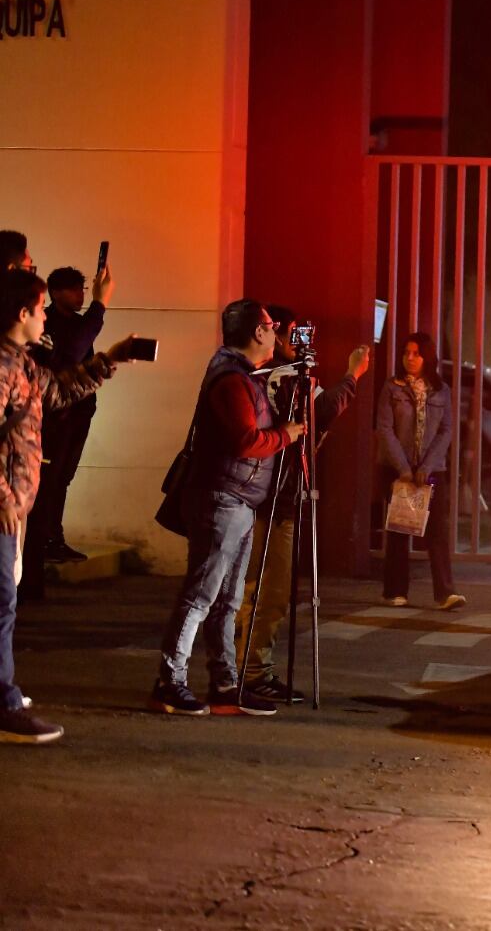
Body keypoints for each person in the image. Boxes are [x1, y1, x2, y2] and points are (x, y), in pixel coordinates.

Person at [0, 269, 140, 742]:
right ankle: (4, 705)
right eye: (41, 310)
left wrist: (111, 359)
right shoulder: (2, 366)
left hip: (16, 505)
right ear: (23, 314)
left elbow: (58, 391)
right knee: (2, 604)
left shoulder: (22, 363)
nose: (46, 318)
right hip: (4, 507)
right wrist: (3, 496)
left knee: (4, 602)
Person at [151, 300, 305, 717]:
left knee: (227, 599)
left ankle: (225, 685)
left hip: (238, 499)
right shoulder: (231, 380)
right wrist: (286, 435)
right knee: (202, 594)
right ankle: (171, 681)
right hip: (221, 498)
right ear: (257, 332)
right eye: (272, 326)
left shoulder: (245, 376)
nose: (277, 334)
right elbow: (245, 440)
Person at [232, 305, 370, 703]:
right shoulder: (280, 376)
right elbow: (321, 412)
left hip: (276, 494)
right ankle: (251, 671)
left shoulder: (282, 376)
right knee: (268, 590)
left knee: (263, 589)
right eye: (289, 332)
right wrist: (352, 375)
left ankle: (251, 667)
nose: (296, 341)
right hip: (273, 497)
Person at [24, 265, 113, 580]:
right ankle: (44, 542)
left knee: (63, 478)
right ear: (55, 292)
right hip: (55, 417)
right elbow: (73, 354)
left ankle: (53, 537)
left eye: (83, 289)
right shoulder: (49, 327)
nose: (81, 295)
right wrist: (99, 305)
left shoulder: (78, 324)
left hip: (78, 411)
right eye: (75, 289)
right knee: (50, 478)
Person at [377, 332, 463, 611]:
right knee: (400, 529)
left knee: (437, 531)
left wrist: (426, 466)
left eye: (416, 353)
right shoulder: (392, 388)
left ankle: (445, 593)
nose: (409, 358)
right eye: (406, 352)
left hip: (432, 468)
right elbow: (385, 429)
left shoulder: (441, 390)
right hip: (397, 468)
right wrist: (403, 467)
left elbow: (446, 430)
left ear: (427, 357)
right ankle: (395, 591)